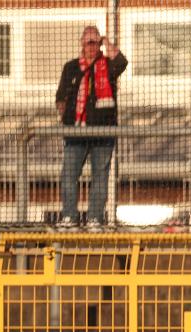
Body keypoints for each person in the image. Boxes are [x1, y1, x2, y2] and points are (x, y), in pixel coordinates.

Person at [55, 26, 128, 229]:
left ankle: (95, 218)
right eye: (88, 42)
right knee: (68, 174)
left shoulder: (108, 66)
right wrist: (65, 119)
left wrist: (105, 41)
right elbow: (60, 97)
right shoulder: (70, 67)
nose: (91, 47)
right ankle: (69, 217)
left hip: (103, 132)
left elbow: (122, 61)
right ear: (81, 43)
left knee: (100, 176)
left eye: (95, 42)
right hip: (76, 132)